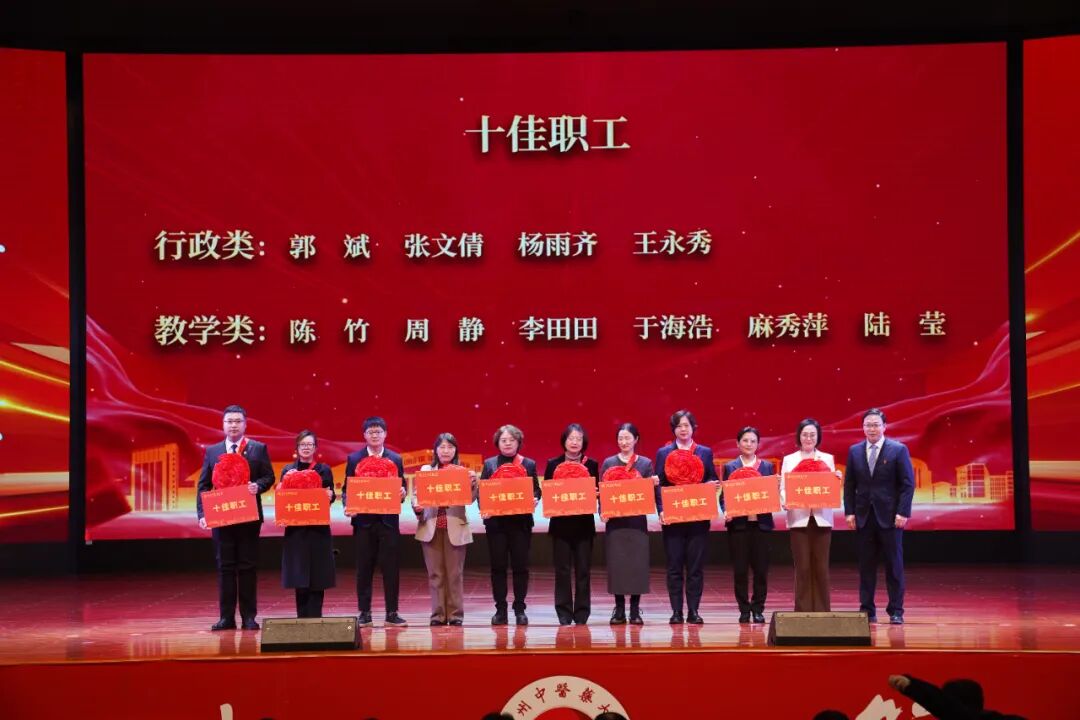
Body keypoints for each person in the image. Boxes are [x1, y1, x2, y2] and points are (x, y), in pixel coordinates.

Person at [196, 404, 275, 631]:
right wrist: (203, 514)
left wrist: (257, 486)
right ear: (223, 425)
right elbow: (203, 485)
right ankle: (226, 618)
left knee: (248, 567)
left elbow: (269, 477)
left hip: (248, 517)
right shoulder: (213, 451)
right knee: (225, 567)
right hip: (221, 517)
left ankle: (249, 617)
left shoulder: (257, 449)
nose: (233, 425)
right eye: (229, 421)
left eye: (238, 421)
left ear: (245, 424)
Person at [844, 408, 915, 624]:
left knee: (894, 565)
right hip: (864, 516)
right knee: (866, 566)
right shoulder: (855, 451)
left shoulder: (898, 450)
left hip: (891, 517)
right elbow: (850, 485)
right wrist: (849, 512)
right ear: (863, 427)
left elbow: (907, 484)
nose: (872, 428)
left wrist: (903, 512)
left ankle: (896, 610)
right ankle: (867, 609)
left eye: (876, 424)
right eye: (868, 425)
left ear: (885, 427)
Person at [655, 409, 719, 625]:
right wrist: (661, 510)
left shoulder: (704, 452)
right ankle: (676, 612)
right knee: (674, 567)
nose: (683, 429)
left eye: (686, 425)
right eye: (679, 426)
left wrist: (712, 485)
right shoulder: (664, 453)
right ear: (673, 429)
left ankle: (693, 611)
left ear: (693, 428)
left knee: (695, 568)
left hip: (698, 517)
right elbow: (660, 484)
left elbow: (711, 478)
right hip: (673, 518)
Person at [343, 416, 407, 628]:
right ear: (364, 435)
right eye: (371, 432)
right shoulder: (354, 459)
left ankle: (392, 612)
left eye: (378, 431)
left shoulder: (395, 459)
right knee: (364, 569)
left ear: (385, 434)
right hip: (363, 523)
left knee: (391, 569)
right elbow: (347, 489)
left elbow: (402, 487)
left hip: (388, 523)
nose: (375, 435)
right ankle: (365, 612)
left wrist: (403, 492)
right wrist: (348, 504)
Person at [413, 432, 477, 626]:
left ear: (455, 450)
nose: (446, 451)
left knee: (454, 575)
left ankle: (456, 615)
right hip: (430, 527)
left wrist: (473, 484)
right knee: (435, 575)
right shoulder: (426, 471)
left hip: (455, 527)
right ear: (436, 450)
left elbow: (471, 499)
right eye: (442, 447)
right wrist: (417, 507)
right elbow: (416, 495)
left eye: (450, 447)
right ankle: (438, 615)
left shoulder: (463, 472)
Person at [480, 424, 540, 626]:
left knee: (520, 567)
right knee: (498, 568)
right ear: (497, 443)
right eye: (503, 440)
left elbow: (536, 490)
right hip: (496, 525)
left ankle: (520, 609)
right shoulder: (490, 464)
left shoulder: (528, 464)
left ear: (518, 442)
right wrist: (484, 508)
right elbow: (483, 492)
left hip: (520, 524)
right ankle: (500, 610)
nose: (507, 444)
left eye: (511, 440)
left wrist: (535, 498)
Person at [598, 422, 655, 625]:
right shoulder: (609, 462)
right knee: (618, 565)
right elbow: (602, 492)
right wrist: (603, 512)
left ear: (636, 439)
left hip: (637, 522)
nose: (624, 442)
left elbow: (649, 494)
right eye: (620, 438)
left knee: (637, 565)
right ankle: (619, 609)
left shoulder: (645, 463)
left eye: (628, 438)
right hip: (616, 523)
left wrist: (652, 485)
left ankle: (635, 610)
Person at [780, 417, 839, 612]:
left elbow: (830, 488)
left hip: (822, 519)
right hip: (799, 519)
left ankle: (822, 611)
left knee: (821, 566)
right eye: (805, 434)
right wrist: (785, 501)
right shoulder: (790, 460)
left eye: (812, 435)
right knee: (803, 567)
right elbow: (784, 488)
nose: (808, 438)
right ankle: (802, 611)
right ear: (799, 436)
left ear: (818, 437)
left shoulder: (827, 459)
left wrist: (836, 480)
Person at [544, 423, 600, 626]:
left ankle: (582, 612)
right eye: (571, 438)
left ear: (583, 442)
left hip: (584, 525)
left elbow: (596, 490)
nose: (575, 442)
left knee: (583, 571)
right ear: (564, 441)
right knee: (562, 571)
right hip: (561, 526)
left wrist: (596, 494)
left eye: (578, 438)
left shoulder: (591, 464)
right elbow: (548, 492)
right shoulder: (553, 464)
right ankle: (564, 612)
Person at [721, 426, 775, 624]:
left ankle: (758, 608)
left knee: (761, 570)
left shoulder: (767, 466)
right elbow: (724, 496)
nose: (749, 444)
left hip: (761, 526)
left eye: (753, 441)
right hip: (739, 527)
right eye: (745, 440)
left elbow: (771, 494)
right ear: (738, 443)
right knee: (740, 570)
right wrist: (726, 510)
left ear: (758, 444)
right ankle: (744, 609)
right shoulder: (730, 466)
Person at [278, 430, 335, 618]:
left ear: (315, 448)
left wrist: (330, 496)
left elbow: (330, 495)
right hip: (296, 531)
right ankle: (301, 619)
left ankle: (316, 618)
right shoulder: (288, 471)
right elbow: (282, 499)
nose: (306, 448)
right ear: (297, 448)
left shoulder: (323, 470)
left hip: (318, 530)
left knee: (318, 576)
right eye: (302, 444)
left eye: (310, 444)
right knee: (299, 575)